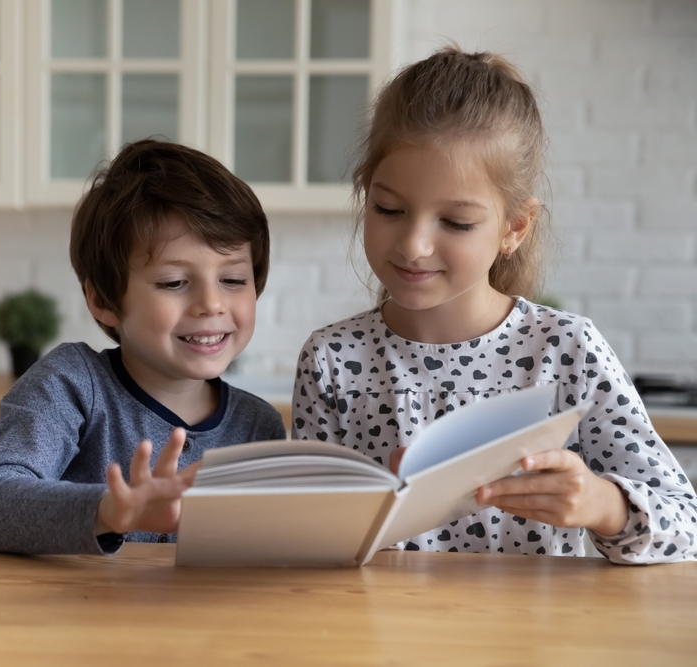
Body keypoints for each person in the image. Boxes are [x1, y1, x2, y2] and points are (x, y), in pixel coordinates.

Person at [291, 48, 697, 563]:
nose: (413, 244)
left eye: (456, 223)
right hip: (381, 639)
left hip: (532, 640)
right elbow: (307, 547)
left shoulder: (566, 349)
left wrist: (602, 504)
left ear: (514, 228)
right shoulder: (332, 358)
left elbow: (685, 523)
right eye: (388, 208)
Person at [0, 139, 287, 555]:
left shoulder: (258, 427)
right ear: (103, 301)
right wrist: (108, 512)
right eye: (174, 283)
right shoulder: (71, 385)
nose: (212, 304)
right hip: (73, 617)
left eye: (234, 279)